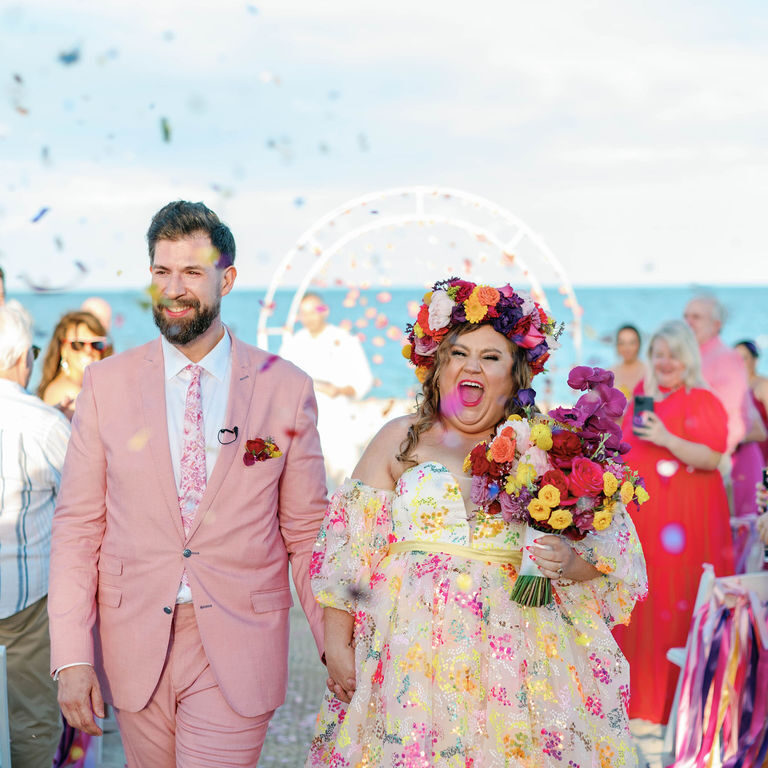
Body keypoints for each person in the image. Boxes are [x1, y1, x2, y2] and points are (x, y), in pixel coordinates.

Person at [306, 278, 647, 767]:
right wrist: (337, 644)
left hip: (519, 660)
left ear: (515, 373)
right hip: (410, 657)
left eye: (490, 357)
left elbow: (611, 553)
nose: (472, 366)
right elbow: (349, 550)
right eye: (459, 353)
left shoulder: (549, 443)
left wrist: (569, 561)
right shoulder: (397, 439)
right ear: (439, 367)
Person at [47, 201, 327, 767]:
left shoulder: (285, 389)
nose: (174, 289)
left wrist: (334, 642)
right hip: (133, 644)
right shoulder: (106, 386)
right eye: (161, 272)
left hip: (238, 641)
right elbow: (78, 528)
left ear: (226, 279)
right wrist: (73, 657)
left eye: (192, 272)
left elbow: (307, 532)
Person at [615, 319, 735, 724]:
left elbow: (711, 457)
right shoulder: (639, 401)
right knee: (647, 606)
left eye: (673, 354)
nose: (665, 362)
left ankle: (682, 709)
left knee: (681, 603)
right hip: (647, 527)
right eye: (658, 354)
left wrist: (666, 438)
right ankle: (641, 702)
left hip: (690, 525)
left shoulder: (704, 400)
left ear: (688, 357)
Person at [0, 303, 71, 768]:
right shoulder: (44, 423)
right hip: (25, 602)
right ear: (22, 356)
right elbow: (85, 512)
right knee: (31, 720)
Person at [280, 291, 374, 485]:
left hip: (338, 419)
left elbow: (363, 380)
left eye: (313, 311)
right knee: (307, 482)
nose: (308, 317)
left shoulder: (344, 339)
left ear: (324, 311)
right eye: (303, 313)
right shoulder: (294, 342)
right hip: (303, 421)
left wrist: (338, 390)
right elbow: (281, 379)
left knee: (347, 480)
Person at [37, 310, 109, 419]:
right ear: (63, 349)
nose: (88, 350)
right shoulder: (72, 392)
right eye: (78, 344)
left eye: (96, 344)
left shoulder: (68, 386)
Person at [734, 340, 768, 464]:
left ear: (755, 360)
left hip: (762, 454)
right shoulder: (732, 387)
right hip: (739, 455)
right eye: (735, 358)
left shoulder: (763, 385)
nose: (739, 362)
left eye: (744, 358)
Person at [610, 324, 646, 399]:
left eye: (632, 343)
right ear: (617, 346)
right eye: (622, 343)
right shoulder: (609, 374)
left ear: (639, 345)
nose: (627, 348)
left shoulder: (649, 372)